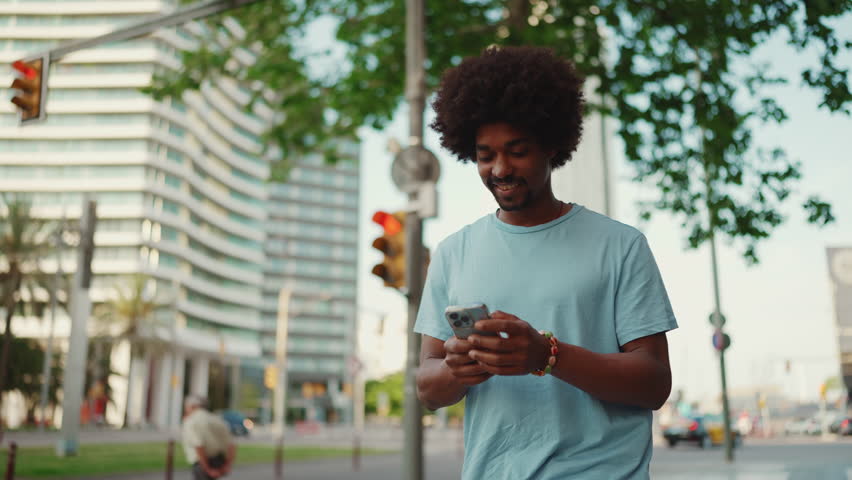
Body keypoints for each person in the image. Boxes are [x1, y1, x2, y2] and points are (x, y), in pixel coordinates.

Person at [415, 46, 678, 479]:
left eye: (517, 151)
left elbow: (654, 383)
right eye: (485, 155)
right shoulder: (453, 252)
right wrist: (456, 369)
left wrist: (547, 354)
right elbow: (427, 385)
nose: (500, 168)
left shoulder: (621, 245)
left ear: (551, 145)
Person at [181, 395, 236, 480]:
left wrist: (207, 469)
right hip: (219, 461)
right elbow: (231, 445)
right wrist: (227, 465)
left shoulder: (191, 421)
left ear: (192, 406)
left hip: (202, 464)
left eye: (186, 407)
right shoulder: (217, 419)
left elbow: (199, 445)